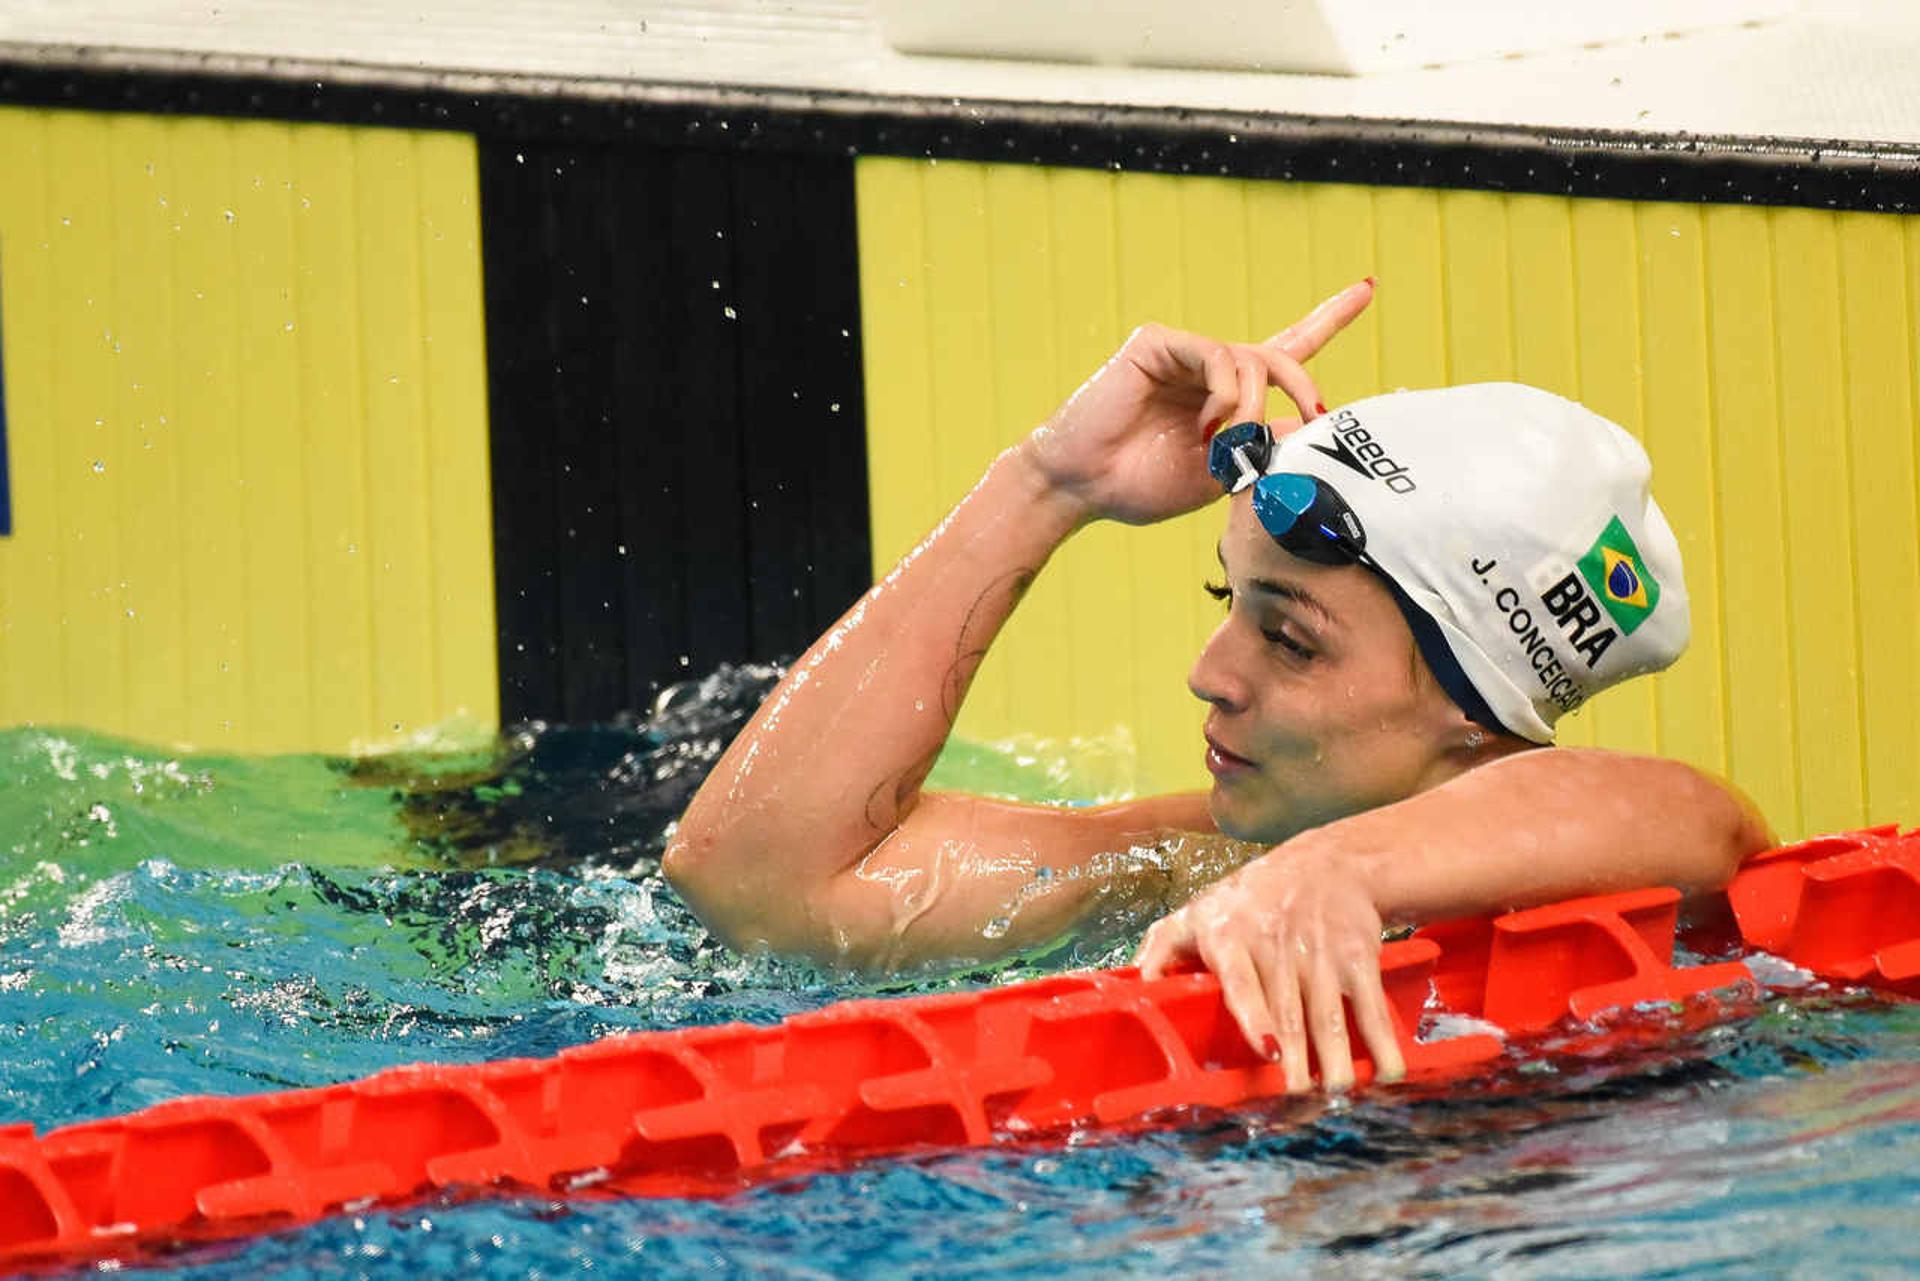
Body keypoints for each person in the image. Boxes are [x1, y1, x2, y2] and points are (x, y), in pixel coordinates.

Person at [663, 280, 1772, 1093]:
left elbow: (1698, 817)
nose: (1210, 675)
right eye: (1226, 600)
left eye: (1290, 641)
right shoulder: (1221, 862)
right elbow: (762, 884)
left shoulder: (1594, 868)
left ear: (1475, 711)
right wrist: (1048, 484)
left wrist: (1342, 869)